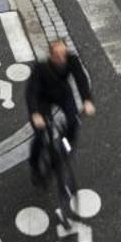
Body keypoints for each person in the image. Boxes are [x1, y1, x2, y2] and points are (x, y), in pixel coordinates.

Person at [27, 40, 95, 186]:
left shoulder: (72, 60)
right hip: (43, 99)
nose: (62, 58)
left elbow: (80, 79)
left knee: (74, 122)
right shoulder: (41, 68)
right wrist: (35, 113)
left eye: (63, 54)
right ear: (50, 55)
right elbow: (32, 91)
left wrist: (87, 100)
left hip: (63, 95)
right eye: (57, 55)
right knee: (40, 134)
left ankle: (65, 148)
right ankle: (34, 164)